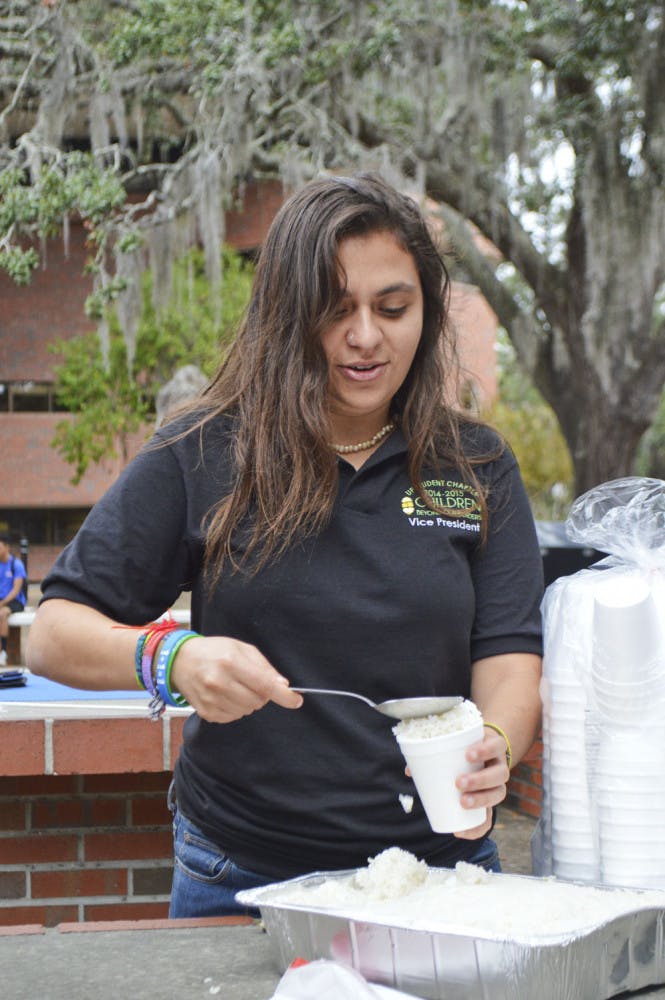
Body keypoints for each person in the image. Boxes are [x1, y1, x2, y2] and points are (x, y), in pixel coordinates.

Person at [26, 173, 543, 917]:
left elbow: (508, 649)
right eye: (334, 311)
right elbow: (52, 632)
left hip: (442, 877)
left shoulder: (476, 464)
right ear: (285, 313)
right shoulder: (203, 448)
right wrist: (173, 657)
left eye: (392, 308)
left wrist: (494, 740)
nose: (365, 336)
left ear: (426, 313)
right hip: (239, 876)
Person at [0, 533, 27, 666]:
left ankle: (3, 653)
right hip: (1, 600)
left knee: (2, 614)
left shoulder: (16, 564)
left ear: (7, 547)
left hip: (15, 601)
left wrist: (2, 603)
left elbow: (16, 590)